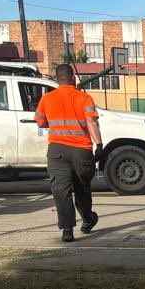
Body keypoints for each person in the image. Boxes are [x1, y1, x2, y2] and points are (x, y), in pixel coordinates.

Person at [33, 63, 102, 243]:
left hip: (57, 151)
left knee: (60, 191)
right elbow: (91, 122)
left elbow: (39, 121)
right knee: (82, 189)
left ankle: (67, 230)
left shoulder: (47, 98)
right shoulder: (84, 98)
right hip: (82, 151)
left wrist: (53, 123)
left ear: (57, 79)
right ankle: (88, 218)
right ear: (73, 78)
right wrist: (99, 144)